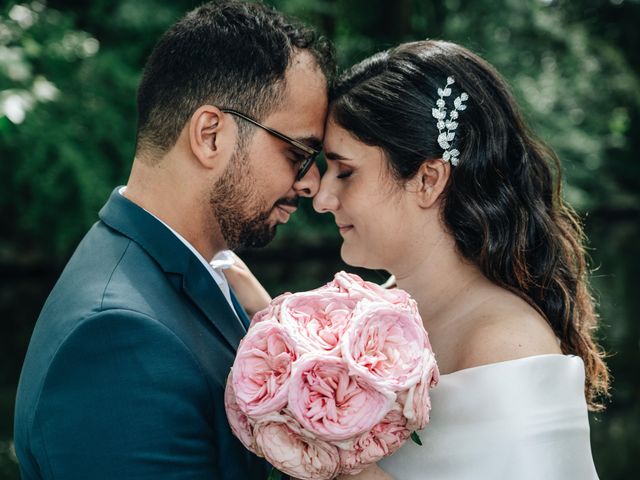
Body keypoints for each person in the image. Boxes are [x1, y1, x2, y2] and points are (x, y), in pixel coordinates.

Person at [13, 1, 334, 478]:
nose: (312, 184)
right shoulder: (115, 338)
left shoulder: (201, 272)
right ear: (209, 136)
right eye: (297, 153)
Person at [309, 40, 608, 479]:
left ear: (428, 179)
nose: (322, 198)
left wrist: (342, 463)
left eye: (346, 172)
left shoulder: (506, 344)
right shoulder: (375, 307)